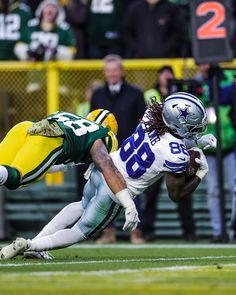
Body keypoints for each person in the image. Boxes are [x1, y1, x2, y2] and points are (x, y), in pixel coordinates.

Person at [0, 92, 213, 260]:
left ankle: (37, 241)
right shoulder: (176, 155)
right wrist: (200, 173)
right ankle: (31, 245)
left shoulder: (151, 116)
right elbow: (176, 194)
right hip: (116, 190)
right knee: (80, 231)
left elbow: (165, 140)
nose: (197, 130)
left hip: (101, 172)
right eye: (193, 127)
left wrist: (197, 141)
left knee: (81, 205)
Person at [90, 53, 146, 243]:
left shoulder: (136, 93)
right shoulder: (97, 94)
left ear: (121, 71)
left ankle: (136, 231)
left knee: (133, 189)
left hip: (129, 151)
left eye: (115, 70)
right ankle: (108, 231)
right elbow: (90, 123)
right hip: (103, 151)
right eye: (109, 71)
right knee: (103, 191)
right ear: (105, 73)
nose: (112, 74)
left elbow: (143, 122)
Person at [0, 109, 119, 191]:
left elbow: (39, 158)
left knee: (5, 171)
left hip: (26, 127)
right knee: (16, 178)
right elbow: (107, 163)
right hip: (49, 138)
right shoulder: (104, 135)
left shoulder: (75, 119)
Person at [143, 65, 196, 241]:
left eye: (169, 74)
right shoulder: (151, 94)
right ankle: (147, 230)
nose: (166, 77)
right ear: (158, 77)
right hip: (157, 150)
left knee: (181, 191)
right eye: (163, 74)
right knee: (151, 193)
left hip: (175, 147)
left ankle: (189, 231)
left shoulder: (180, 96)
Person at [194, 64, 236, 242]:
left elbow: (227, 98)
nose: (204, 66)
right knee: (213, 191)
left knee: (235, 190)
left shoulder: (228, 77)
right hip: (210, 147)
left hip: (230, 144)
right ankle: (218, 231)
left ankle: (234, 231)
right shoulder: (195, 83)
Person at [123, 0, 187, 58]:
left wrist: (167, 49)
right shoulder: (135, 8)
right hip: (140, 60)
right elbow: (126, 32)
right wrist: (137, 49)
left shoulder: (171, 8)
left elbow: (180, 33)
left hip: (167, 61)